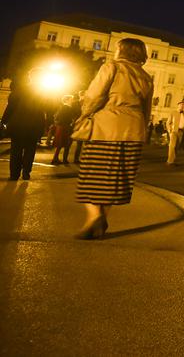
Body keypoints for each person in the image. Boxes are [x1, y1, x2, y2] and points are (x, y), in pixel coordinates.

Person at [74, 38, 154, 239]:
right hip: (133, 131)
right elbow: (147, 110)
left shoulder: (112, 67)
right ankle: (100, 223)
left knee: (91, 175)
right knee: (115, 179)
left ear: (122, 50)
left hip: (106, 127)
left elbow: (94, 96)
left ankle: (93, 217)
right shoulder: (146, 77)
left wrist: (84, 114)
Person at [1, 76, 47, 181]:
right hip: (34, 126)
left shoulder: (17, 92)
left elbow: (10, 108)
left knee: (16, 150)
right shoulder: (41, 94)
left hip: (18, 126)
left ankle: (14, 174)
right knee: (30, 151)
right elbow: (44, 111)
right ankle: (26, 173)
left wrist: (4, 121)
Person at [51, 94, 78, 165]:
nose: (72, 101)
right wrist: (71, 122)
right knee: (63, 143)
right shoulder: (66, 108)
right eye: (71, 99)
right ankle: (56, 159)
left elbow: (57, 117)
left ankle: (55, 158)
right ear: (67, 100)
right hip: (65, 127)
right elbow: (64, 117)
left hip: (62, 126)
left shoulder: (63, 107)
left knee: (61, 143)